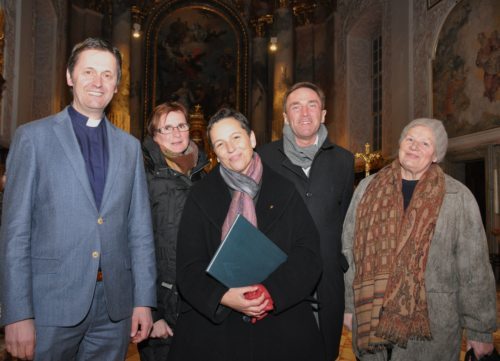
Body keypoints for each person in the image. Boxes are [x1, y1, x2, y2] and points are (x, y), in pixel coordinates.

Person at [0, 37, 156, 361]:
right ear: (70, 77)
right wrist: (16, 313)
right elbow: (15, 233)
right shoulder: (33, 138)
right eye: (88, 72)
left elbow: (139, 231)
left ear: (117, 86)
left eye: (108, 75)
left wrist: (143, 300)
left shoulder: (129, 148)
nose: (98, 82)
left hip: (113, 307)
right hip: (49, 304)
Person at [169, 108, 325, 361]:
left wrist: (270, 293)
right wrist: (223, 296)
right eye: (220, 144)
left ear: (251, 139)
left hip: (280, 326)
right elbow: (188, 267)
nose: (230, 148)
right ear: (215, 153)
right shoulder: (200, 196)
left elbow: (307, 254)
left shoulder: (285, 190)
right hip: (217, 331)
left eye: (236, 138)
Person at [342, 118, 496, 360]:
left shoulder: (457, 197)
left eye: (425, 143)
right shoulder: (367, 188)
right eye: (410, 139)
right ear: (401, 144)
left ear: (436, 155)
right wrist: (350, 306)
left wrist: (480, 330)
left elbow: (474, 267)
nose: (414, 146)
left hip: (431, 327)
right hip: (370, 315)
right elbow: (350, 250)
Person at [258, 81, 354, 361]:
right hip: (278, 281)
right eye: (295, 106)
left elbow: (346, 223)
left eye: (312, 105)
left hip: (328, 284)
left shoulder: (344, 161)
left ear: (323, 114)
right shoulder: (263, 158)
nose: (304, 113)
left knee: (325, 353)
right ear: (285, 117)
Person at [139, 101, 208, 360]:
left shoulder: (205, 173)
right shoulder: (144, 175)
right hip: (162, 305)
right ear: (154, 136)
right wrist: (152, 312)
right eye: (167, 128)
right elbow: (136, 245)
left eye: (181, 125)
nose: (176, 134)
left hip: (200, 303)